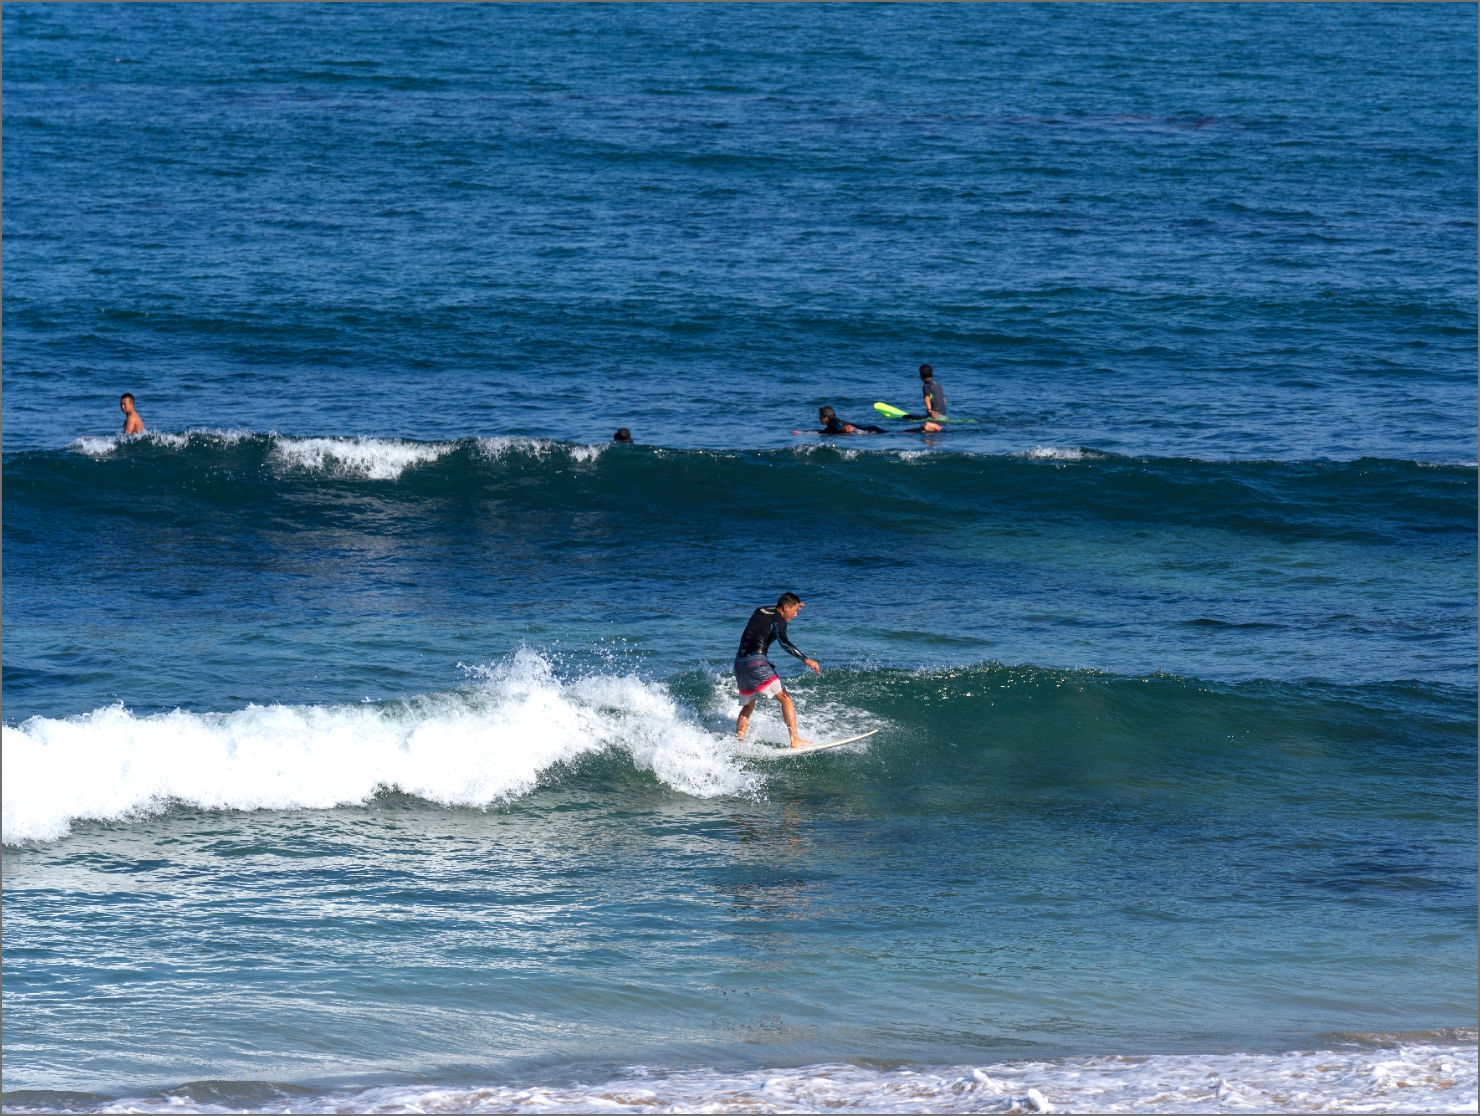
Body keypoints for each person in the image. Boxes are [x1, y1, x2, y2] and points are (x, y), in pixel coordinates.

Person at [734, 592, 821, 748]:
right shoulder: (779, 622)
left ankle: (738, 741)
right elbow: (784, 643)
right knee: (785, 698)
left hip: (740, 663)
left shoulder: (760, 610)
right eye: (795, 611)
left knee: (748, 705)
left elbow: (772, 610)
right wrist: (806, 659)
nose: (795, 615)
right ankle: (795, 740)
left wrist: (794, 604)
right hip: (756, 662)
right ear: (786, 607)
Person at [816, 406, 886, 435]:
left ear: (826, 417)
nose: (819, 418)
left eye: (820, 416)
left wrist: (842, 430)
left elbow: (837, 426)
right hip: (869, 429)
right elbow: (828, 431)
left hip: (869, 431)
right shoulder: (832, 423)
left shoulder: (833, 421)